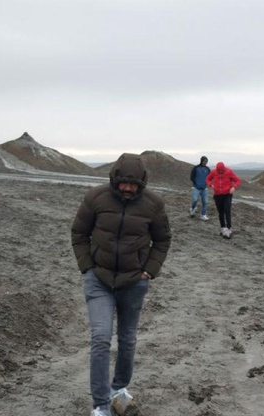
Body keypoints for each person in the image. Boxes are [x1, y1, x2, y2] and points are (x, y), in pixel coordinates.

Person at [71, 153, 172, 416]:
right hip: (99, 280)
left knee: (127, 339)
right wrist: (87, 266)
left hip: (133, 282)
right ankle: (101, 405)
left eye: (134, 184)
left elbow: (162, 240)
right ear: (115, 179)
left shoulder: (154, 204)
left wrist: (149, 270)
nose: (128, 188)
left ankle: (119, 389)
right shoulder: (95, 198)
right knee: (101, 339)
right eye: (124, 183)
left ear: (142, 183)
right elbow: (79, 233)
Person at [206, 161, 241, 239]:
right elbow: (208, 179)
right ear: (217, 169)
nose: (220, 172)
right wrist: (210, 184)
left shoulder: (229, 172)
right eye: (219, 171)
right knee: (220, 212)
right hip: (217, 195)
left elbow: (237, 180)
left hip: (227, 194)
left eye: (222, 171)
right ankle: (223, 227)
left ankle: (229, 228)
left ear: (224, 168)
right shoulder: (213, 172)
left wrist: (234, 187)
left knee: (227, 210)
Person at [189, 156, 211, 220]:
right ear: (201, 161)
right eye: (204, 161)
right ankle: (192, 209)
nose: (205, 162)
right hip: (196, 187)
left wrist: (207, 183)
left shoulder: (208, 169)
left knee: (205, 202)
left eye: (206, 161)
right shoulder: (196, 168)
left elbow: (210, 177)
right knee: (195, 200)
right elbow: (192, 177)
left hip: (204, 188)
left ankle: (203, 215)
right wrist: (195, 183)